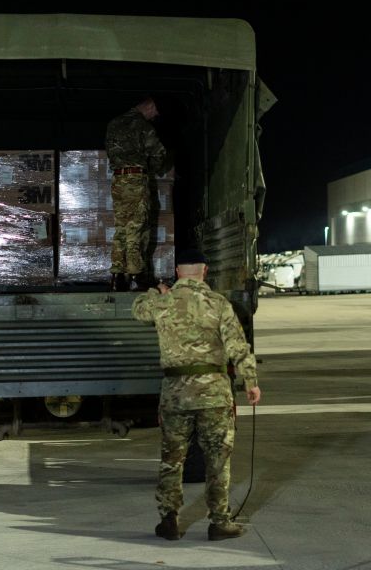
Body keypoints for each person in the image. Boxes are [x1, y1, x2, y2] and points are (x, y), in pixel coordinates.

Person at [131, 248, 261, 541]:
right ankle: (219, 522)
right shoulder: (218, 303)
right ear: (205, 271)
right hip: (214, 393)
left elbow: (137, 308)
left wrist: (156, 292)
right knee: (217, 459)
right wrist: (251, 382)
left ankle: (168, 520)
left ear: (178, 272)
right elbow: (238, 347)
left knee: (172, 458)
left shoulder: (163, 303)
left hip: (175, 394)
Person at [104, 97, 167, 291]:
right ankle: (137, 274)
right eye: (154, 114)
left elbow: (110, 151)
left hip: (118, 180)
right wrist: (158, 168)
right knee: (136, 226)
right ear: (150, 106)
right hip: (135, 179)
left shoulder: (113, 123)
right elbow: (158, 153)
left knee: (121, 227)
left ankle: (117, 276)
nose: (153, 118)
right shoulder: (142, 125)